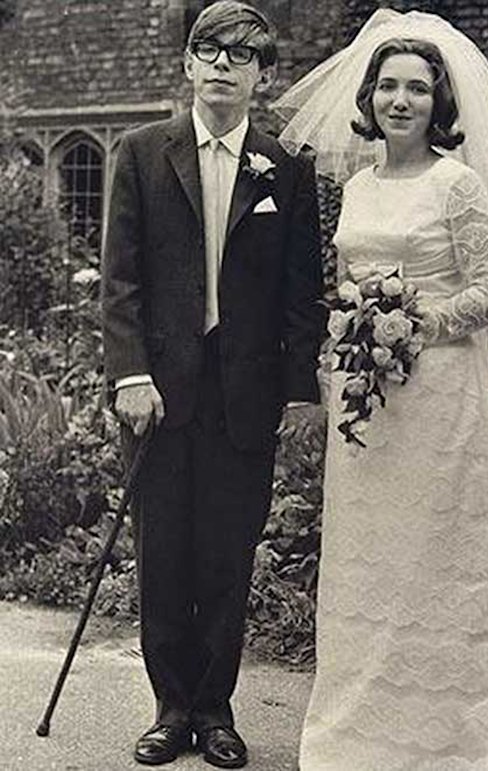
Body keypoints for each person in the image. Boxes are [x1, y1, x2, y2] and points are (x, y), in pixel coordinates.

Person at [273, 9, 488, 770]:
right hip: (367, 402)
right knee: (372, 557)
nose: (400, 100)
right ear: (371, 98)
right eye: (388, 86)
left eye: (417, 88)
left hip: (442, 395)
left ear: (439, 104)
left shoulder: (459, 184)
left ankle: (450, 736)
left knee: (439, 558)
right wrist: (348, 338)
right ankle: (362, 730)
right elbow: (346, 281)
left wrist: (415, 320)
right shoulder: (358, 184)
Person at [101, 2, 324, 767]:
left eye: (241, 54)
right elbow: (121, 281)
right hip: (157, 394)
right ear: (188, 66)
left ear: (263, 75)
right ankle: (170, 708)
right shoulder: (138, 151)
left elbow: (303, 294)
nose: (223, 65)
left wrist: (300, 392)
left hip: (245, 398)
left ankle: (217, 709)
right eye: (210, 51)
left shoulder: (287, 170)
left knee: (229, 555)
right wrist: (130, 374)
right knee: (163, 552)